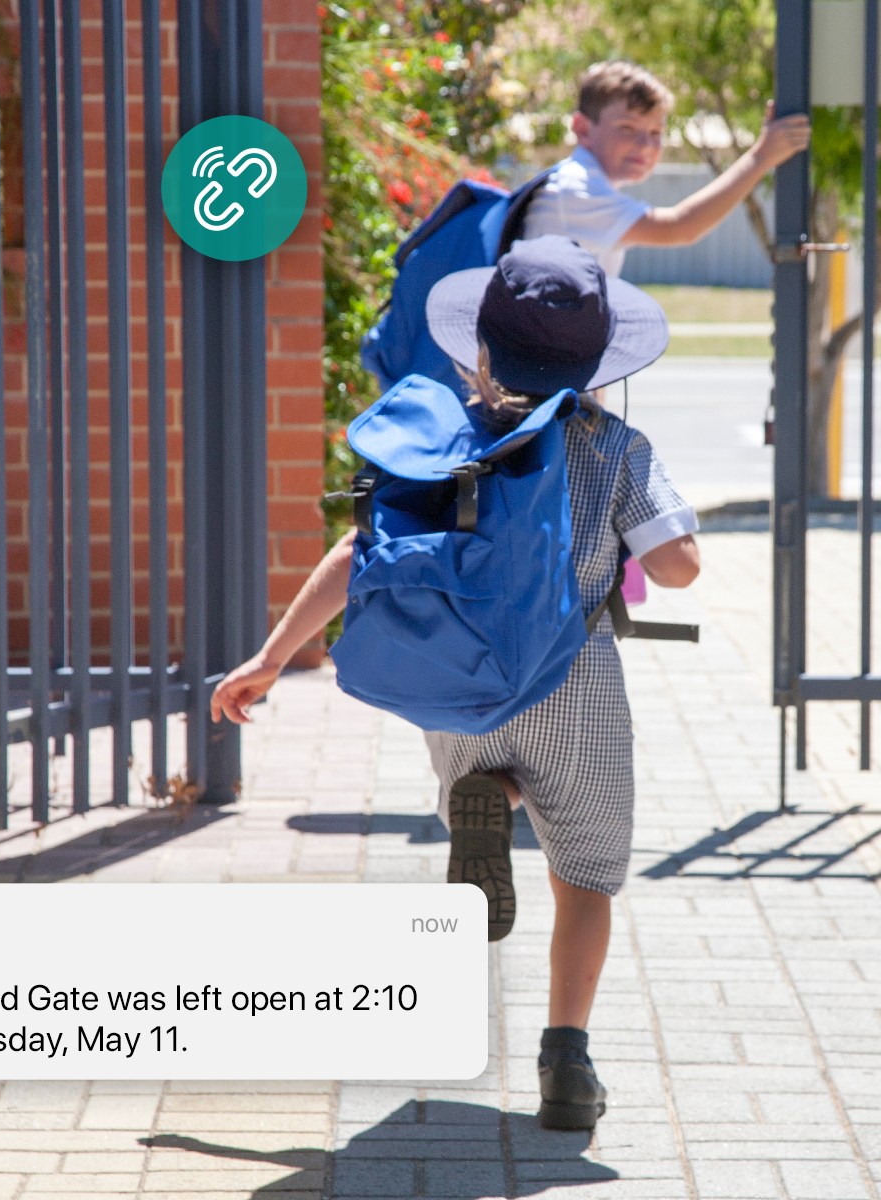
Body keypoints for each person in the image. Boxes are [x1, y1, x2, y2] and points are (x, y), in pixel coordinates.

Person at [210, 237, 701, 1131]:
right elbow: (678, 570)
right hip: (575, 681)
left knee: (491, 766)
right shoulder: (618, 446)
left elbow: (362, 553)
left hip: (463, 683)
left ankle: (494, 791)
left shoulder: (438, 436)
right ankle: (566, 1063)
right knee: (585, 875)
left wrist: (272, 658)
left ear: (480, 347)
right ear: (598, 356)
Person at [522, 60, 811, 278]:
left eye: (656, 132)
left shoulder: (587, 185)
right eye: (627, 128)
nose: (645, 145)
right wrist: (761, 157)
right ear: (582, 128)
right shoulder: (575, 190)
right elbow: (680, 227)